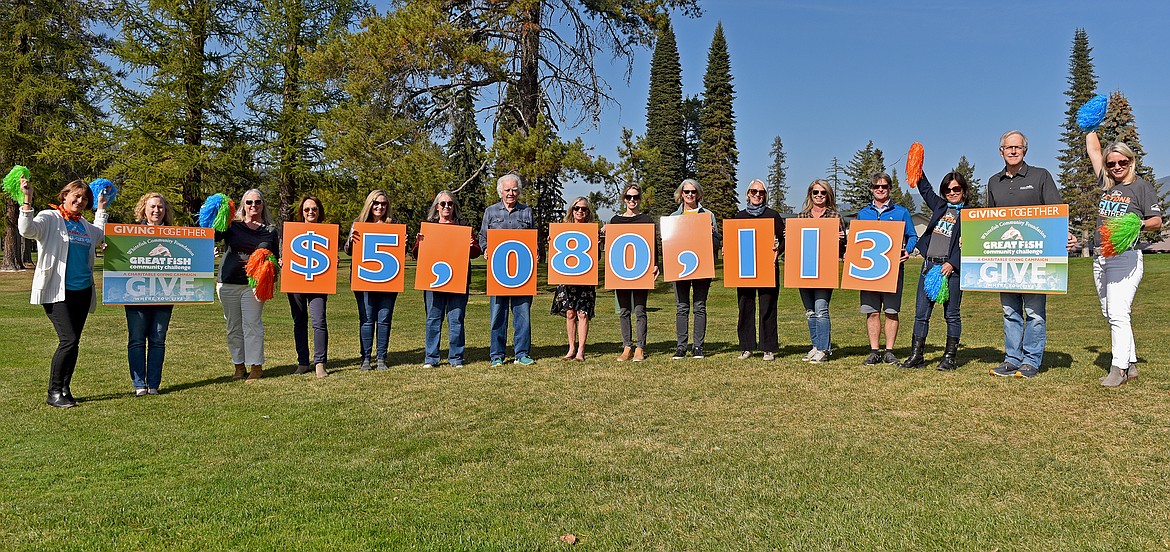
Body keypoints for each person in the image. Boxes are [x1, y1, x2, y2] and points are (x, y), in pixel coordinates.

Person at [987, 130, 1078, 378]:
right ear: (1001, 151)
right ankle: (1012, 359)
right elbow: (988, 221)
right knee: (1010, 311)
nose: (1013, 151)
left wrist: (1066, 237)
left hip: (1036, 259)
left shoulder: (1040, 176)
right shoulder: (994, 182)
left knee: (1035, 313)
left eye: (1018, 147)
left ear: (1024, 150)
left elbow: (1056, 214)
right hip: (1006, 260)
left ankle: (1031, 361)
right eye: (1008, 147)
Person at [19, 177, 109, 408]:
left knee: (74, 341)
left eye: (84, 198)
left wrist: (101, 207)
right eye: (76, 196)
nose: (79, 201)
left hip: (83, 292)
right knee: (68, 340)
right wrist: (27, 200)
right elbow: (27, 230)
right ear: (65, 196)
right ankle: (54, 392)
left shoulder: (85, 225)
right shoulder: (50, 218)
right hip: (57, 291)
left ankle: (65, 389)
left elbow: (99, 234)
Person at [1085, 131, 1162, 386]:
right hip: (1100, 257)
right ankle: (1131, 363)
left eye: (1122, 162)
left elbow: (1156, 221)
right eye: (1112, 163)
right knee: (1110, 312)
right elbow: (1094, 151)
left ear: (1131, 162)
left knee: (1118, 312)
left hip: (1125, 257)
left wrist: (1135, 223)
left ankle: (1118, 368)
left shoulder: (1141, 186)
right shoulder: (1107, 184)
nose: (1117, 167)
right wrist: (1090, 126)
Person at [900, 172, 966, 371]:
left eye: (956, 189)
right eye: (948, 189)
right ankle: (916, 356)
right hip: (928, 266)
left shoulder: (971, 214)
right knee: (921, 314)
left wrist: (953, 263)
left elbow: (972, 244)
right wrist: (917, 164)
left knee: (952, 315)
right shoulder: (940, 206)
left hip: (951, 270)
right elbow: (925, 188)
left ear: (963, 190)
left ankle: (949, 358)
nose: (952, 192)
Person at [216, 189, 279, 382]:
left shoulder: (270, 230)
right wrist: (220, 213)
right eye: (249, 202)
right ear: (243, 204)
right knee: (233, 326)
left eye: (257, 202)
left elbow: (275, 257)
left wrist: (273, 266)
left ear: (263, 205)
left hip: (254, 285)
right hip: (228, 282)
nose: (253, 206)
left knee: (252, 324)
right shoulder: (231, 226)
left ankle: (256, 366)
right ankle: (238, 365)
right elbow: (213, 236)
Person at [414, 191, 481, 368]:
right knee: (433, 319)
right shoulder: (429, 227)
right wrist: (419, 242)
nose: (446, 207)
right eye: (442, 204)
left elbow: (476, 252)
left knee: (456, 319)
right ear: (437, 207)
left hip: (458, 280)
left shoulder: (463, 226)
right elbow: (416, 253)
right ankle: (431, 357)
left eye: (450, 204)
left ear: (454, 207)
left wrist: (470, 245)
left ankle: (456, 357)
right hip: (433, 281)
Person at [857, 172, 918, 365]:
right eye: (877, 187)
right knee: (872, 311)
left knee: (891, 311)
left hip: (893, 270)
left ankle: (889, 351)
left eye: (884, 186)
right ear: (872, 190)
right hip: (869, 271)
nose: (880, 190)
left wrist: (907, 250)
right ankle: (875, 351)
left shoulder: (901, 212)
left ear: (889, 188)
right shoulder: (863, 213)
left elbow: (913, 236)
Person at [479, 174, 536, 366]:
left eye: (514, 190)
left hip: (523, 273)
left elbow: (533, 238)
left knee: (523, 315)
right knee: (497, 315)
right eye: (507, 190)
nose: (510, 193)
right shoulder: (490, 211)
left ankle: (522, 354)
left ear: (519, 191)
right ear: (500, 192)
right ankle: (497, 355)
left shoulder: (527, 212)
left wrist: (535, 251)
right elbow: (482, 236)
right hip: (498, 273)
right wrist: (486, 249)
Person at [126, 193, 177, 395]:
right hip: (134, 295)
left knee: (158, 340)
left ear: (166, 211)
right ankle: (139, 385)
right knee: (137, 339)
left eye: (161, 207)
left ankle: (153, 385)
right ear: (144, 210)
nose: (157, 210)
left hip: (165, 294)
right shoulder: (130, 233)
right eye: (153, 207)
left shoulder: (175, 236)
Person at [344, 189, 397, 371]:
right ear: (369, 204)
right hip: (364, 279)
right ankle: (365, 358)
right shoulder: (358, 224)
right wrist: (351, 239)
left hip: (388, 279)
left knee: (384, 319)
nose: (380, 207)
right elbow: (348, 250)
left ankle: (382, 357)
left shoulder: (394, 225)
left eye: (383, 204)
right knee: (366, 319)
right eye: (376, 203)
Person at [732, 180, 784, 361]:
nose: (757, 194)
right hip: (745, 269)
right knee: (745, 306)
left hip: (768, 268)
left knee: (767, 307)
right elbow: (733, 241)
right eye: (754, 191)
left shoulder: (773, 215)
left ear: (765, 195)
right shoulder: (739, 217)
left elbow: (783, 239)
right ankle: (746, 347)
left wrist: (778, 251)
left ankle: (768, 347)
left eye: (761, 192)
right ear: (747, 193)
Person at [796, 180, 847, 363]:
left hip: (825, 269)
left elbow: (843, 248)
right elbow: (796, 246)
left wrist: (841, 239)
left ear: (828, 195)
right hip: (805, 269)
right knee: (810, 311)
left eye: (823, 193)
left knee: (821, 309)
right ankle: (816, 346)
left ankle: (824, 350)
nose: (819, 195)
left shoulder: (835, 216)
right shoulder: (801, 217)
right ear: (810, 194)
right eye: (815, 192)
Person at [668, 179, 719, 359]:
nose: (690, 195)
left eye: (693, 192)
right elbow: (669, 244)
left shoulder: (708, 215)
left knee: (699, 307)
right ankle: (681, 347)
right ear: (681, 194)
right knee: (682, 307)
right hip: (680, 268)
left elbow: (716, 244)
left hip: (702, 267)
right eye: (686, 191)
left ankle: (698, 347)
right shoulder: (674, 217)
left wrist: (711, 233)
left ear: (698, 194)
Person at [607, 184, 658, 362]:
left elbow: (653, 245)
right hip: (620, 271)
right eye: (629, 197)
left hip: (641, 270)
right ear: (624, 199)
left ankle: (640, 348)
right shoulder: (615, 221)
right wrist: (604, 232)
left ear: (640, 199)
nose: (632, 200)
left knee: (640, 309)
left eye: (635, 197)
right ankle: (627, 346)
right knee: (623, 310)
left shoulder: (646, 220)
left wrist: (656, 264)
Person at [551, 197, 598, 361]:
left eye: (584, 209)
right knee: (570, 313)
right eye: (577, 208)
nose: (580, 211)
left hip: (585, 279)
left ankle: (581, 351)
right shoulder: (563, 230)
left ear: (588, 212)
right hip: (566, 278)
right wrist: (552, 242)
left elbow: (596, 257)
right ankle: (571, 349)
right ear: (572, 210)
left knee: (583, 314)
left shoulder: (592, 231)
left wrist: (596, 244)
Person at [287, 196, 330, 378]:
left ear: (319, 211)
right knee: (299, 322)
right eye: (306, 209)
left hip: (319, 281)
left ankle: (320, 362)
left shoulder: (327, 232)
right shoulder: (293, 230)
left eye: (314, 209)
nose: (310, 212)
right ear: (301, 212)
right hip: (296, 279)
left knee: (318, 321)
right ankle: (303, 362)